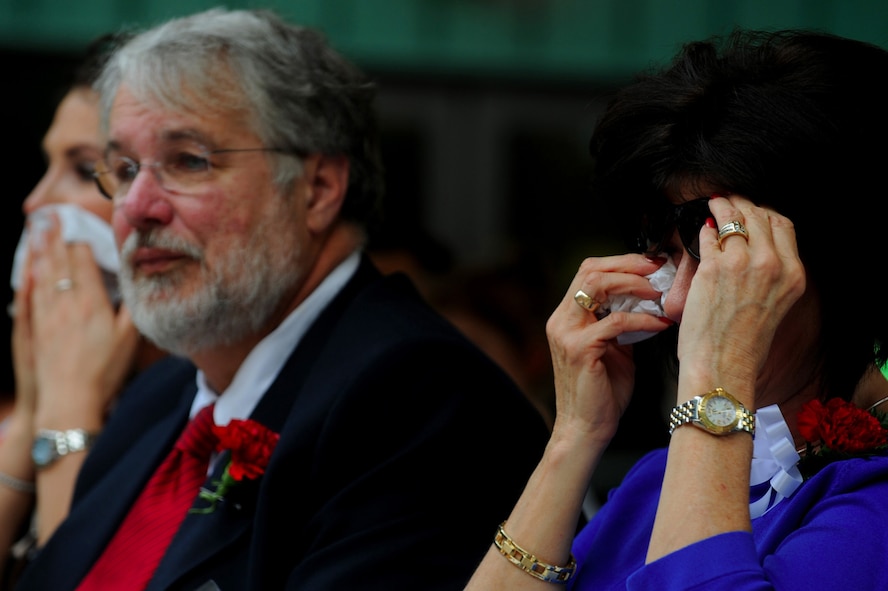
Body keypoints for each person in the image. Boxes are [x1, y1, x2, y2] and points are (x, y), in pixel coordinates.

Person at [15, 8, 549, 590]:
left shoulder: (417, 397)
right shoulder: (160, 395)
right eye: (121, 169)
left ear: (317, 188)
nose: (137, 207)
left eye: (189, 160)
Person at [465, 29, 888, 590]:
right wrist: (575, 435)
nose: (681, 298)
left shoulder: (872, 500)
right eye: (666, 256)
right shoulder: (656, 480)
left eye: (723, 258)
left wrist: (717, 375)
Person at [0, 33, 166, 588]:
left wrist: (68, 409)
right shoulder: (29, 403)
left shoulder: (198, 412)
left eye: (85, 170)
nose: (36, 202)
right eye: (49, 165)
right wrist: (33, 412)